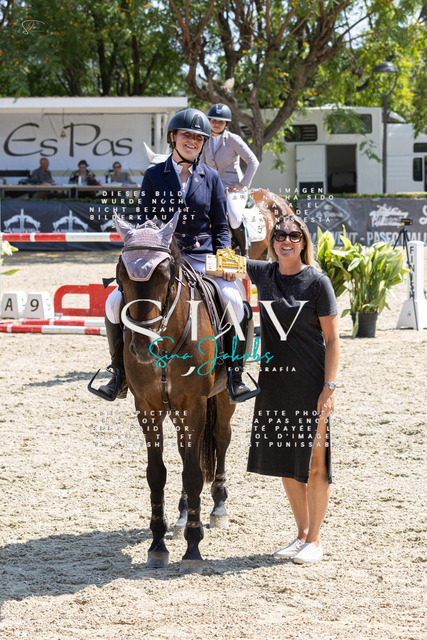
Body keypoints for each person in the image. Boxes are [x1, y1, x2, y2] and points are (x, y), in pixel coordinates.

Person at [99, 108, 258, 404]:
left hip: (201, 257)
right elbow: (144, 222)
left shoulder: (211, 177)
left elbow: (221, 226)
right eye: (187, 135)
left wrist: (225, 257)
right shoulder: (153, 176)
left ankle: (235, 375)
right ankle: (118, 373)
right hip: (162, 260)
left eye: (199, 137)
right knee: (112, 303)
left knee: (236, 303)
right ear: (173, 137)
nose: (193, 141)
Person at [245, 213, 340, 564]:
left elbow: (333, 340)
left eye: (294, 235)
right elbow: (217, 260)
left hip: (311, 383)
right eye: (280, 235)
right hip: (274, 384)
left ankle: (315, 540)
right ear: (272, 242)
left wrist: (329, 388)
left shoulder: (317, 283)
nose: (287, 240)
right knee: (286, 461)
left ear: (303, 242)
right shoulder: (263, 274)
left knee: (316, 462)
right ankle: (301, 535)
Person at [200, 103, 260, 256]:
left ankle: (244, 253)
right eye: (214, 121)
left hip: (233, 188)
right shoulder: (205, 140)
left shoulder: (233, 139)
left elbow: (253, 161)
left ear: (226, 123)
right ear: (209, 121)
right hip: (212, 189)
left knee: (233, 216)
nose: (216, 124)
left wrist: (242, 184)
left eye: (220, 121)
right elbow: (201, 166)